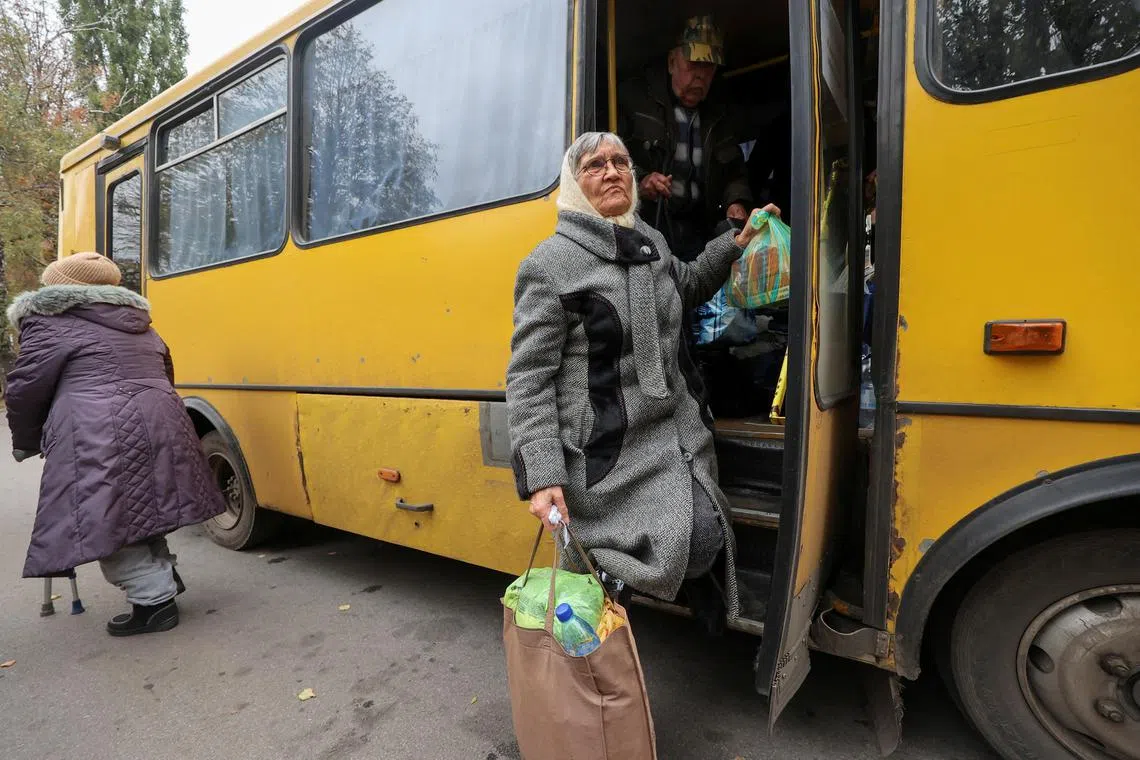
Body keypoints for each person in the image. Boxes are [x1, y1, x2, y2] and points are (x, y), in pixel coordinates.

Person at [506, 131, 778, 632]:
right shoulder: (548, 266)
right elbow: (529, 378)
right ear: (573, 182)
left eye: (621, 162)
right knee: (598, 588)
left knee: (703, 535)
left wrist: (734, 245)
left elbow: (689, 284)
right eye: (595, 166)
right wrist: (543, 474)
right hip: (604, 452)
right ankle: (592, 655)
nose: (612, 172)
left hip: (672, 433)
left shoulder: (650, 243)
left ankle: (645, 600)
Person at [5, 252, 225, 636]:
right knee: (141, 509)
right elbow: (166, 369)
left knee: (103, 518)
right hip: (162, 419)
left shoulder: (50, 323)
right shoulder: (140, 323)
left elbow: (26, 388)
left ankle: (154, 602)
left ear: (59, 288)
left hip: (97, 429)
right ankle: (161, 579)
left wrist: (25, 439)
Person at [618, 15, 753, 261]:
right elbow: (607, 161)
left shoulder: (719, 116)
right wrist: (639, 182)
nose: (700, 77)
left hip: (700, 234)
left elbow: (734, 173)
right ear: (672, 62)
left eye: (708, 68)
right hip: (647, 233)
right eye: (693, 65)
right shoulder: (634, 100)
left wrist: (736, 202)